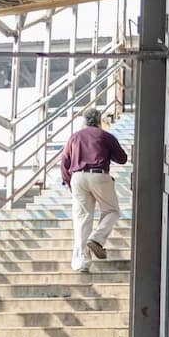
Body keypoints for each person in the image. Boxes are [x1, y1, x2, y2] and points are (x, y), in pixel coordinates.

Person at [60, 108, 128, 272]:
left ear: (84, 122)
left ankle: (81, 263)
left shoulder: (74, 137)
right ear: (99, 121)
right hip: (99, 175)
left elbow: (64, 161)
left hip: (77, 177)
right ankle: (97, 238)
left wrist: (70, 183)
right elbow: (122, 158)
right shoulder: (105, 136)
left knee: (82, 219)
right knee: (112, 211)